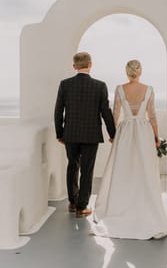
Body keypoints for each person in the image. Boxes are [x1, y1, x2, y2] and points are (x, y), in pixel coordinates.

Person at [92, 60, 167, 239]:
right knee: (144, 169)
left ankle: (120, 206)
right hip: (143, 132)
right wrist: (156, 138)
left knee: (124, 169)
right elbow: (153, 116)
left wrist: (113, 135)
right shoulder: (149, 89)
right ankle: (144, 206)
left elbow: (115, 114)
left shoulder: (120, 89)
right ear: (140, 72)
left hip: (125, 131)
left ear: (127, 72)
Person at [54, 52, 116, 218]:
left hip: (70, 134)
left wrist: (60, 133)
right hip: (91, 135)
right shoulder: (100, 86)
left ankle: (73, 203)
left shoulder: (65, 84)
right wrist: (113, 134)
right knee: (87, 170)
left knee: (72, 166)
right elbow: (106, 112)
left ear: (74, 66)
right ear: (90, 64)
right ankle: (82, 207)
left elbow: (58, 110)